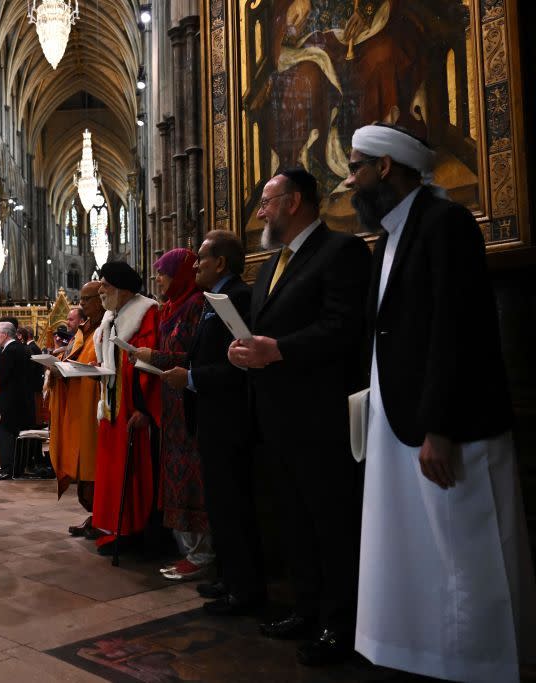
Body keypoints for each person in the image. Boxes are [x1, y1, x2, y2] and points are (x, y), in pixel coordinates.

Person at [345, 123, 536, 681]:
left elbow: (458, 330)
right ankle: (425, 652)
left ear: (385, 168)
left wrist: (440, 427)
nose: (350, 178)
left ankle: (477, 660)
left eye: (357, 166)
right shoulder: (393, 233)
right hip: (400, 419)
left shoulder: (444, 223)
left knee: (463, 549)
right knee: (417, 548)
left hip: (443, 425)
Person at [228, 169, 370, 665]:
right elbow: (264, 328)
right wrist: (245, 350)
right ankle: (305, 608)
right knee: (293, 519)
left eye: (267, 202)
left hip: (322, 415)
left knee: (330, 521)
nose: (261, 212)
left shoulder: (341, 252)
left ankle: (340, 623)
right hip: (276, 415)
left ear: (296, 202)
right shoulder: (270, 265)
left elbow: (344, 327)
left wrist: (279, 350)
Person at [163, 231, 265, 614]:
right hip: (213, 418)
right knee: (221, 505)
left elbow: (238, 367)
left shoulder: (235, 297)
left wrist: (189, 379)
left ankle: (244, 590)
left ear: (220, 263)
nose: (195, 265)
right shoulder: (215, 300)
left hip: (229, 419)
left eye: (201, 259)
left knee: (233, 506)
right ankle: (229, 578)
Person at [133, 248, 213, 581]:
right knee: (177, 477)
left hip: (191, 406)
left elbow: (193, 355)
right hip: (171, 407)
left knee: (195, 479)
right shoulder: (169, 308)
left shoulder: (197, 305)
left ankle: (204, 554)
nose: (159, 279)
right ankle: (188, 550)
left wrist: (154, 356)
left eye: (164, 273)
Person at [92, 261, 160, 557]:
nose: (101, 290)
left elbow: (148, 364)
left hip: (132, 411)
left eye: (105, 285)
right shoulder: (111, 316)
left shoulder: (146, 312)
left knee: (132, 474)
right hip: (111, 409)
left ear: (122, 288)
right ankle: (112, 528)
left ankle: (132, 531)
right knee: (111, 472)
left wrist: (144, 409)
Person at [48, 285, 104, 537]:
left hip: (97, 408)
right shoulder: (86, 331)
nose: (83, 305)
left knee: (94, 466)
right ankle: (95, 515)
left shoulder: (106, 328)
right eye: (80, 299)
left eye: (87, 299)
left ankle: (102, 517)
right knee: (83, 466)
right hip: (80, 405)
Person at [0, 321, 36, 480]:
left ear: (4, 334)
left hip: (11, 402)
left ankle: (7, 468)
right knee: (13, 435)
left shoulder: (10, 350)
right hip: (21, 401)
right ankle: (13, 467)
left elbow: (0, 377)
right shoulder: (20, 347)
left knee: (5, 434)